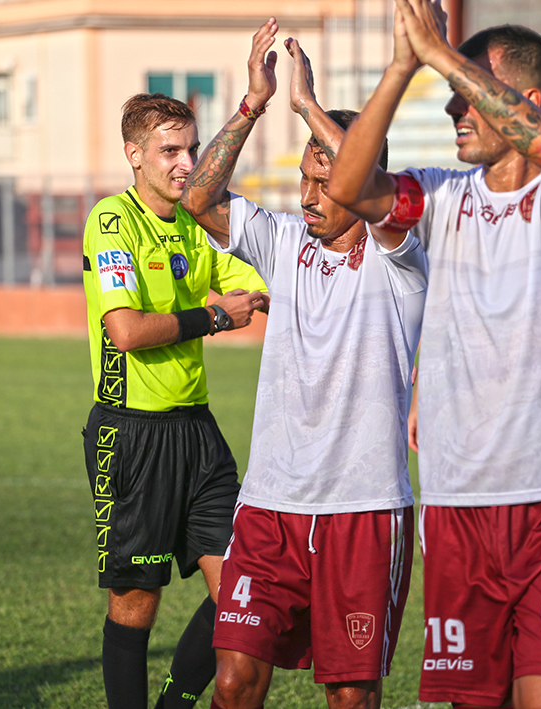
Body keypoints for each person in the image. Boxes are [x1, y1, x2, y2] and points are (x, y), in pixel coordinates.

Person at [328, 2, 541, 707]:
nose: (453, 109)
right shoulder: (436, 196)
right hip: (459, 508)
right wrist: (406, 63)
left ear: (528, 101)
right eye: (451, 97)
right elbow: (344, 188)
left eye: (466, 95)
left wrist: (439, 53)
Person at [179, 18, 427, 709]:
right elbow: (197, 199)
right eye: (301, 180)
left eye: (323, 180)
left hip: (364, 510)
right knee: (233, 679)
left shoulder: (398, 256)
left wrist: (308, 107)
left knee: (350, 695)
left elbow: (377, 190)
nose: (307, 196)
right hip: (269, 508)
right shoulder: (284, 242)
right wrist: (254, 103)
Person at [80, 91, 268, 709]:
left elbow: (262, 284)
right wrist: (214, 317)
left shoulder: (197, 221)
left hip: (199, 434)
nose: (186, 163)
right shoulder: (114, 219)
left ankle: (175, 703)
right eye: (170, 151)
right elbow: (126, 331)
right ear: (134, 155)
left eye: (191, 148)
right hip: (132, 432)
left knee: (239, 589)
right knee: (137, 601)